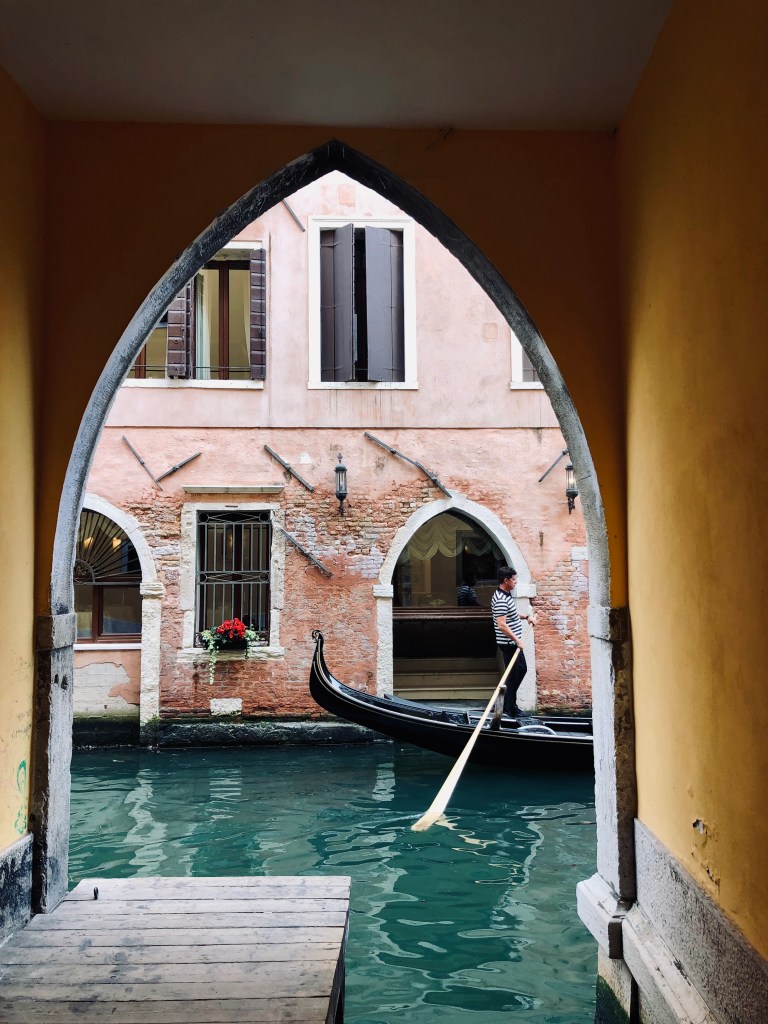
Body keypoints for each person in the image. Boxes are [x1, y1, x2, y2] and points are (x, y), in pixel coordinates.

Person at [491, 565, 536, 719]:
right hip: (510, 645)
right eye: (514, 579)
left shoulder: (506, 595)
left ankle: (509, 704)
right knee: (513, 676)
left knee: (521, 671)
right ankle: (511, 709)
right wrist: (517, 640)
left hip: (514, 644)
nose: (516, 582)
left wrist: (526, 617)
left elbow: (511, 613)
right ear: (506, 580)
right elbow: (502, 624)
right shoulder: (501, 599)